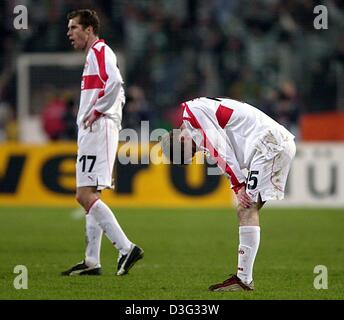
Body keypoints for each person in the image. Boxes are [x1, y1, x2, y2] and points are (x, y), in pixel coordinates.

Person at [161, 97, 296, 291]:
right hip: (272, 143)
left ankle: (244, 280)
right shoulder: (198, 111)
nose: (197, 150)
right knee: (246, 210)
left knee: (245, 208)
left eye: (192, 150)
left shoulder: (192, 115)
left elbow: (218, 147)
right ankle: (243, 279)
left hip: (269, 145)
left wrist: (238, 184)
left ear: (182, 138)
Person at [62, 9, 143, 276]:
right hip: (95, 129)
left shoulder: (100, 51)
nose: (69, 33)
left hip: (99, 128)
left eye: (74, 28)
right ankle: (91, 261)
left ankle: (126, 248)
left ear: (89, 30)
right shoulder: (93, 56)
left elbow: (117, 83)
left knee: (83, 194)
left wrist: (97, 110)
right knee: (92, 194)